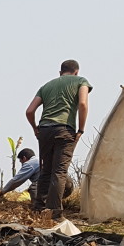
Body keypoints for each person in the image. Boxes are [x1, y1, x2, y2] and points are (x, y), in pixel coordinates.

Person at [25, 59, 91, 219]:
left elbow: (29, 110)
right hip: (64, 130)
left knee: (45, 170)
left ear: (60, 72)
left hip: (45, 130)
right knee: (59, 171)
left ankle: (38, 209)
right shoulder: (80, 81)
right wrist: (81, 129)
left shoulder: (46, 86)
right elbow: (82, 104)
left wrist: (35, 128)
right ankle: (54, 213)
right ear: (76, 71)